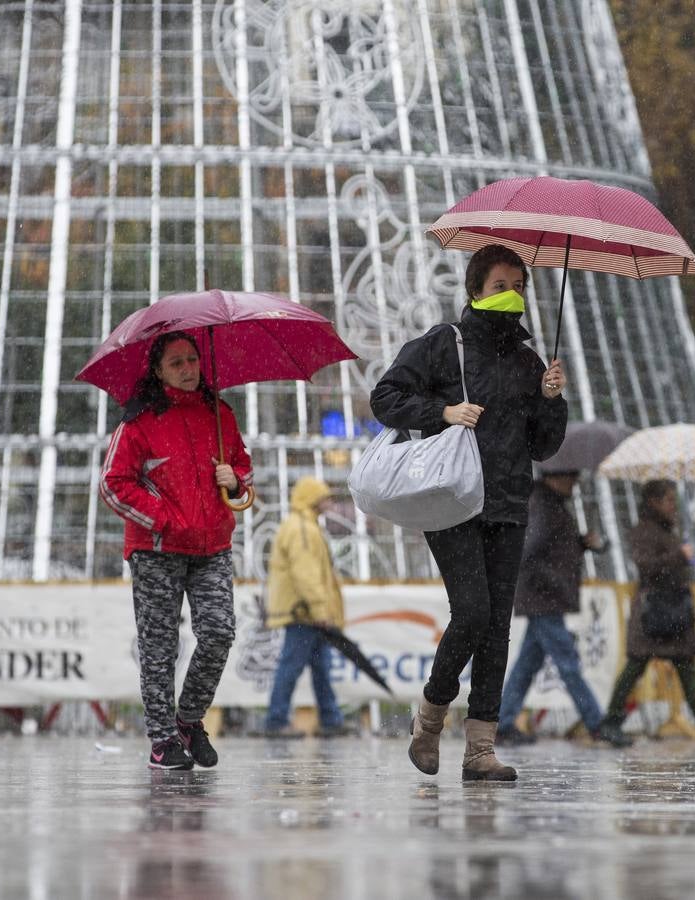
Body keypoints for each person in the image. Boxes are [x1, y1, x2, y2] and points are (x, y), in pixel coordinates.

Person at [370, 243, 568, 782]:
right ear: (476, 290)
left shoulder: (530, 362)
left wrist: (552, 399)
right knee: (474, 612)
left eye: (520, 287)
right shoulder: (443, 345)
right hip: (454, 501)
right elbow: (384, 397)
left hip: (508, 504)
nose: (513, 296)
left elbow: (543, 447)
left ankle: (480, 749)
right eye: (502, 286)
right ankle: (431, 717)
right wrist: (443, 411)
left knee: (497, 628)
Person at [100, 331, 253, 770]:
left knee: (220, 633)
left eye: (192, 360)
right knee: (159, 648)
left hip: (213, 547)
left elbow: (242, 465)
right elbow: (113, 485)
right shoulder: (137, 423)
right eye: (176, 363)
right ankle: (162, 739)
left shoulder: (220, 413)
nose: (188, 370)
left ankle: (187, 720)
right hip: (156, 551)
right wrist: (164, 520)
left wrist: (236, 479)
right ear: (157, 370)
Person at [496, 473, 632, 748]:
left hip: (543, 598)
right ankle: (597, 724)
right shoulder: (543, 507)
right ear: (554, 477)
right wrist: (554, 580)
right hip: (544, 599)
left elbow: (546, 548)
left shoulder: (549, 505)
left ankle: (502, 723)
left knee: (527, 664)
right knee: (568, 663)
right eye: (571, 477)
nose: (576, 482)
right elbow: (529, 551)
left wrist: (581, 544)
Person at [595, 480, 695, 746]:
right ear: (653, 502)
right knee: (636, 664)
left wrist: (686, 557)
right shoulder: (643, 531)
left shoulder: (667, 529)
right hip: (654, 610)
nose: (673, 506)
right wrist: (678, 557)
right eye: (669, 500)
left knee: (686, 665)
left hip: (673, 608)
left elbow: (667, 562)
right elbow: (647, 566)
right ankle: (610, 722)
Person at [262, 477, 355, 738]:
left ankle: (330, 719)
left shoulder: (304, 525)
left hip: (307, 612)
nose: (329, 502)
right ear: (312, 499)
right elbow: (306, 575)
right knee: (292, 666)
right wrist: (319, 610)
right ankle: (277, 720)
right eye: (324, 497)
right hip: (304, 612)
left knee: (320, 668)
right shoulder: (301, 528)